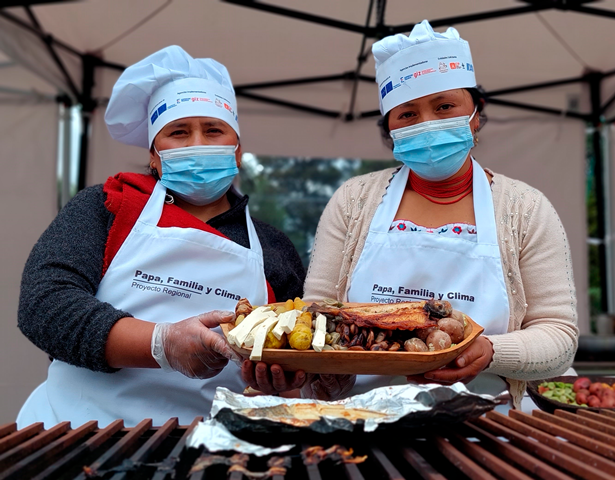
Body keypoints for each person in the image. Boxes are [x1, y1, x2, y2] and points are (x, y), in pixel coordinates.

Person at [16, 45, 306, 429]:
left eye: (214, 130)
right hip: (76, 432)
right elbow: (44, 305)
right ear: (153, 155)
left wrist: (281, 380)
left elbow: (294, 349)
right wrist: (162, 344)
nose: (197, 143)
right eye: (179, 132)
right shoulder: (107, 206)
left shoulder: (274, 249)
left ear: (237, 151)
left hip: (209, 448)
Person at [299, 20, 579, 409]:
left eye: (444, 106)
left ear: (475, 115)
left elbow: (559, 337)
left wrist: (489, 351)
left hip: (493, 431)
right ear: (390, 129)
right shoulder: (353, 200)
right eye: (408, 114)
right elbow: (317, 319)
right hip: (364, 426)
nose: (427, 123)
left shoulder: (526, 208)